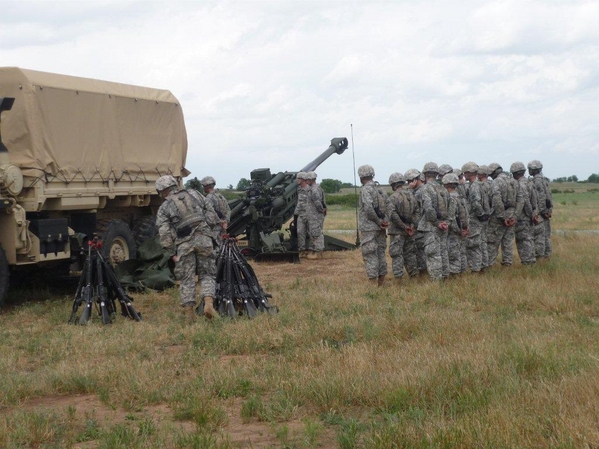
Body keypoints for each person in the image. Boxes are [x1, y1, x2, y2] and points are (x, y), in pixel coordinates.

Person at [155, 175, 219, 321]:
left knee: (186, 278)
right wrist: (206, 228)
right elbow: (211, 214)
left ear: (162, 191)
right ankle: (208, 304)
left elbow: (164, 234)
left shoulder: (164, 208)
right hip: (204, 238)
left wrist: (172, 253)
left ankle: (189, 314)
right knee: (207, 274)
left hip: (184, 244)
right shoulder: (194, 193)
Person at [417, 162, 449, 281]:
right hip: (444, 225)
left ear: (424, 174)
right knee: (443, 251)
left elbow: (428, 208)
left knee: (433, 253)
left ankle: (436, 281)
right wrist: (445, 222)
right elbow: (450, 207)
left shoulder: (425, 189)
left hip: (431, 226)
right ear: (437, 174)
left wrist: (436, 223)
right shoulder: (443, 189)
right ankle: (445, 276)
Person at [357, 164, 388, 286]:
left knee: (370, 254)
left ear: (361, 177)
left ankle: (373, 283)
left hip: (369, 227)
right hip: (381, 228)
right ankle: (382, 281)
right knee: (380, 253)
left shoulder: (366, 190)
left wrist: (377, 221)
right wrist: (384, 221)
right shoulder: (380, 189)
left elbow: (369, 209)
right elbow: (388, 206)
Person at [386, 172, 419, 283]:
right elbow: (416, 212)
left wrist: (403, 227)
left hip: (397, 232)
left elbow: (392, 214)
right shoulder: (411, 196)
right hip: (410, 231)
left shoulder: (393, 197)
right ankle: (414, 277)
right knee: (410, 254)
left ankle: (398, 280)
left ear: (393, 184)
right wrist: (412, 226)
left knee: (397, 255)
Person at [487, 163, 520, 267]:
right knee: (508, 242)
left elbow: (496, 200)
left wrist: (502, 216)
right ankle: (507, 264)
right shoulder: (514, 181)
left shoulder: (496, 182)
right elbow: (520, 200)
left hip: (498, 217)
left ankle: (489, 264)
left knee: (492, 242)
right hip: (512, 214)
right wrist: (515, 216)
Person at [510, 162, 537, 265]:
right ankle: (530, 261)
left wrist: (530, 215)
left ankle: (528, 263)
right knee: (529, 239)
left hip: (523, 217)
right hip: (529, 216)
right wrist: (534, 213)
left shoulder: (521, 184)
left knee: (524, 241)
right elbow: (535, 201)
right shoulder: (530, 183)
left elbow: (524, 201)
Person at [442, 173, 468, 276]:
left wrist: (458, 230)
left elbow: (451, 218)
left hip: (454, 231)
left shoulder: (450, 199)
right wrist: (466, 228)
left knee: (453, 254)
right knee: (462, 252)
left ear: (447, 184)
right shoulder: (461, 198)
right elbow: (466, 215)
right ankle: (462, 272)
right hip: (462, 229)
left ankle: (455, 276)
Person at [461, 162, 485, 274]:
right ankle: (478, 268)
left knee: (473, 246)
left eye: (465, 173)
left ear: (469, 173)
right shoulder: (474, 185)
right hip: (475, 219)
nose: (463, 175)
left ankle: (476, 270)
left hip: (474, 220)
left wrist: (481, 215)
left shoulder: (474, 186)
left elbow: (476, 203)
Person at [527, 160, 553, 260]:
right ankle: (546, 255)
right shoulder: (544, 180)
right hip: (546, 211)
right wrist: (549, 210)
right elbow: (549, 198)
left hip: (541, 213)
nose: (529, 171)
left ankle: (542, 256)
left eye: (530, 169)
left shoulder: (536, 181)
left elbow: (541, 198)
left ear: (534, 170)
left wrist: (542, 212)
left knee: (540, 237)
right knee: (546, 235)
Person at [405, 168, 427, 276]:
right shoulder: (422, 190)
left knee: (420, 250)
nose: (409, 183)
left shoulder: (419, 192)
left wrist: (409, 190)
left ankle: (423, 273)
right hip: (423, 224)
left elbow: (410, 204)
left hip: (421, 225)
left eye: (410, 180)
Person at [200, 176, 231, 246]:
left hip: (214, 230)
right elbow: (228, 210)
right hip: (222, 229)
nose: (203, 187)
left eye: (203, 185)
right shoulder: (220, 196)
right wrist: (225, 222)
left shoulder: (209, 197)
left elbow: (209, 215)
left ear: (206, 186)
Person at [305, 171, 326, 259]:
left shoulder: (314, 189)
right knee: (314, 232)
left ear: (311, 180)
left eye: (307, 180)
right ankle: (316, 251)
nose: (306, 182)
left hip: (316, 215)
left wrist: (321, 210)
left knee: (317, 233)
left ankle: (319, 252)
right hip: (313, 215)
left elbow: (318, 202)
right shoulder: (313, 188)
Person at [293, 172, 312, 258]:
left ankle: (312, 250)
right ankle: (302, 250)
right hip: (300, 214)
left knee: (311, 232)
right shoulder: (298, 189)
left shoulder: (310, 189)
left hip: (309, 214)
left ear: (303, 179)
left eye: (298, 178)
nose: (297, 180)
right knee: (300, 232)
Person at [477, 165, 492, 269]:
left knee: (482, 242)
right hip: (491, 215)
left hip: (483, 217)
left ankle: (485, 264)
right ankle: (486, 263)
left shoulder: (480, 186)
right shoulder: (492, 184)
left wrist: (482, 214)